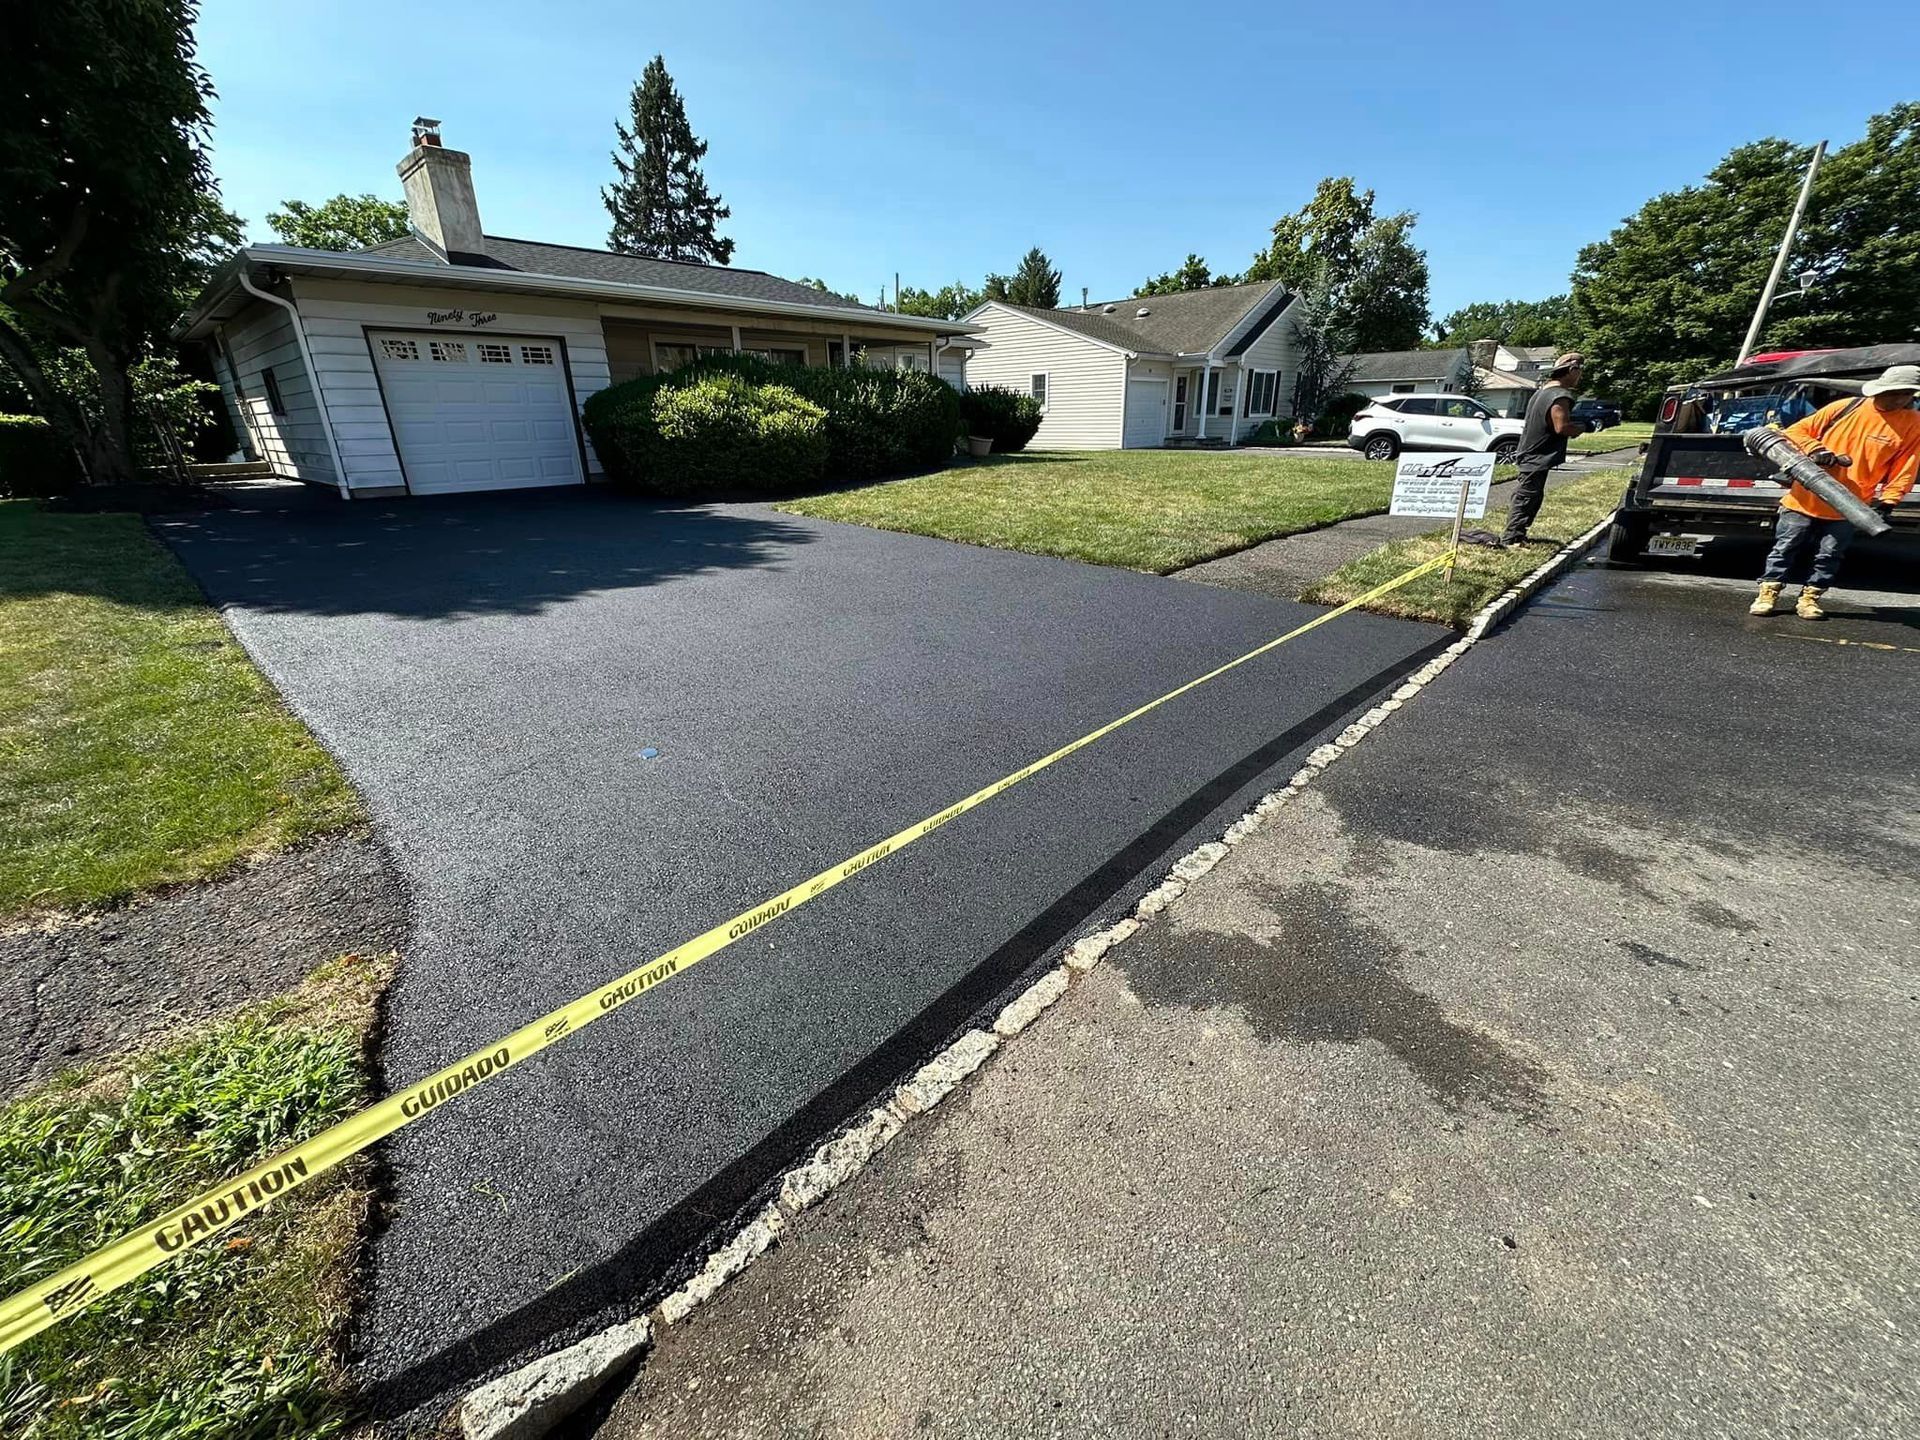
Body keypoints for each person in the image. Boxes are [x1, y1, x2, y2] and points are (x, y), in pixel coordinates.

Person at [1748, 363, 1920, 620]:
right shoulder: (1846, 407)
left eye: (1905, 394)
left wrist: (1888, 502)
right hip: (1804, 498)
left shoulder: (1912, 424)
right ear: (1879, 390)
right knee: (1785, 547)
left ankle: (1810, 599)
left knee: (1829, 555)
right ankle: (1767, 593)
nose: (1898, 399)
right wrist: (1817, 450)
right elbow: (1796, 431)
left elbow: (1905, 467)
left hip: (1850, 505)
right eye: (1893, 392)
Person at [1503, 352, 1590, 546]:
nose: (1580, 377)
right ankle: (1512, 538)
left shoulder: (1541, 392)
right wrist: (1583, 427)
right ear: (1571, 370)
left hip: (1531, 452)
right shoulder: (1559, 395)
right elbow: (1562, 427)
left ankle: (1518, 534)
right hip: (1537, 455)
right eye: (1579, 372)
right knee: (1527, 496)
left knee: (1531, 495)